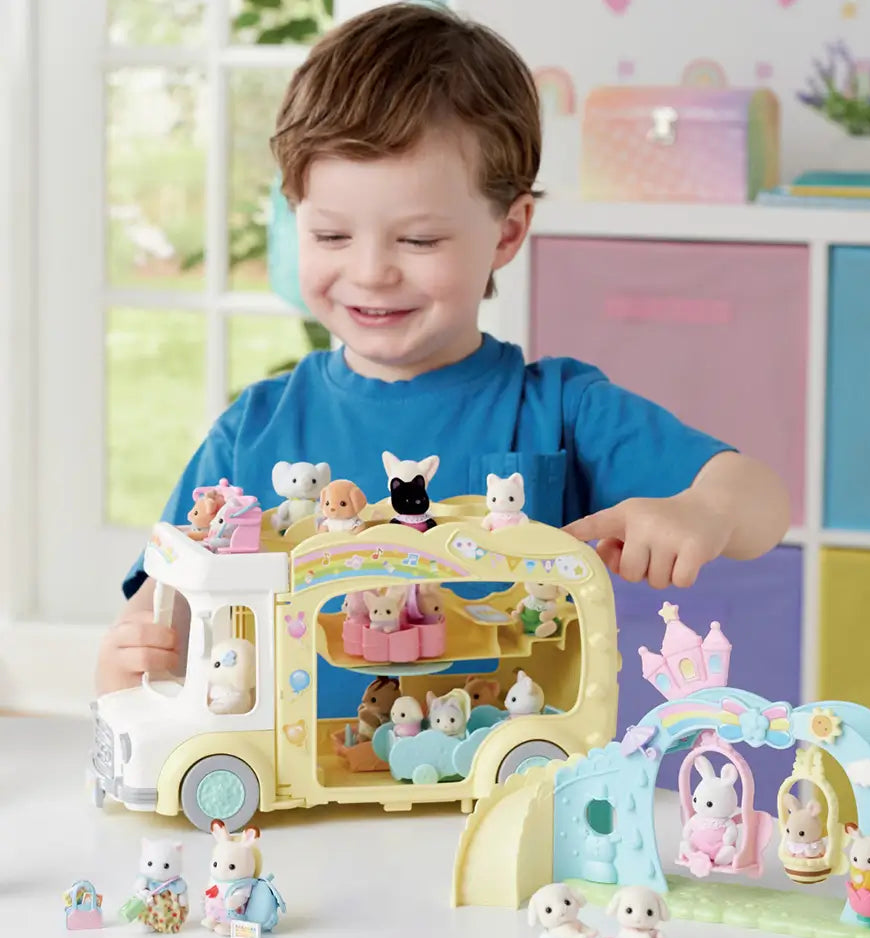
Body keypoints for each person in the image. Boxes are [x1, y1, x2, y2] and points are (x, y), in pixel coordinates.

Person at [94, 3, 789, 695]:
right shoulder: (253, 429)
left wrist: (705, 511)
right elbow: (161, 605)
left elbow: (759, 503)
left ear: (508, 232)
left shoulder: (558, 408)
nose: (371, 271)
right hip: (300, 797)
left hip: (513, 782)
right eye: (331, 236)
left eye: (418, 240)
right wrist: (126, 664)